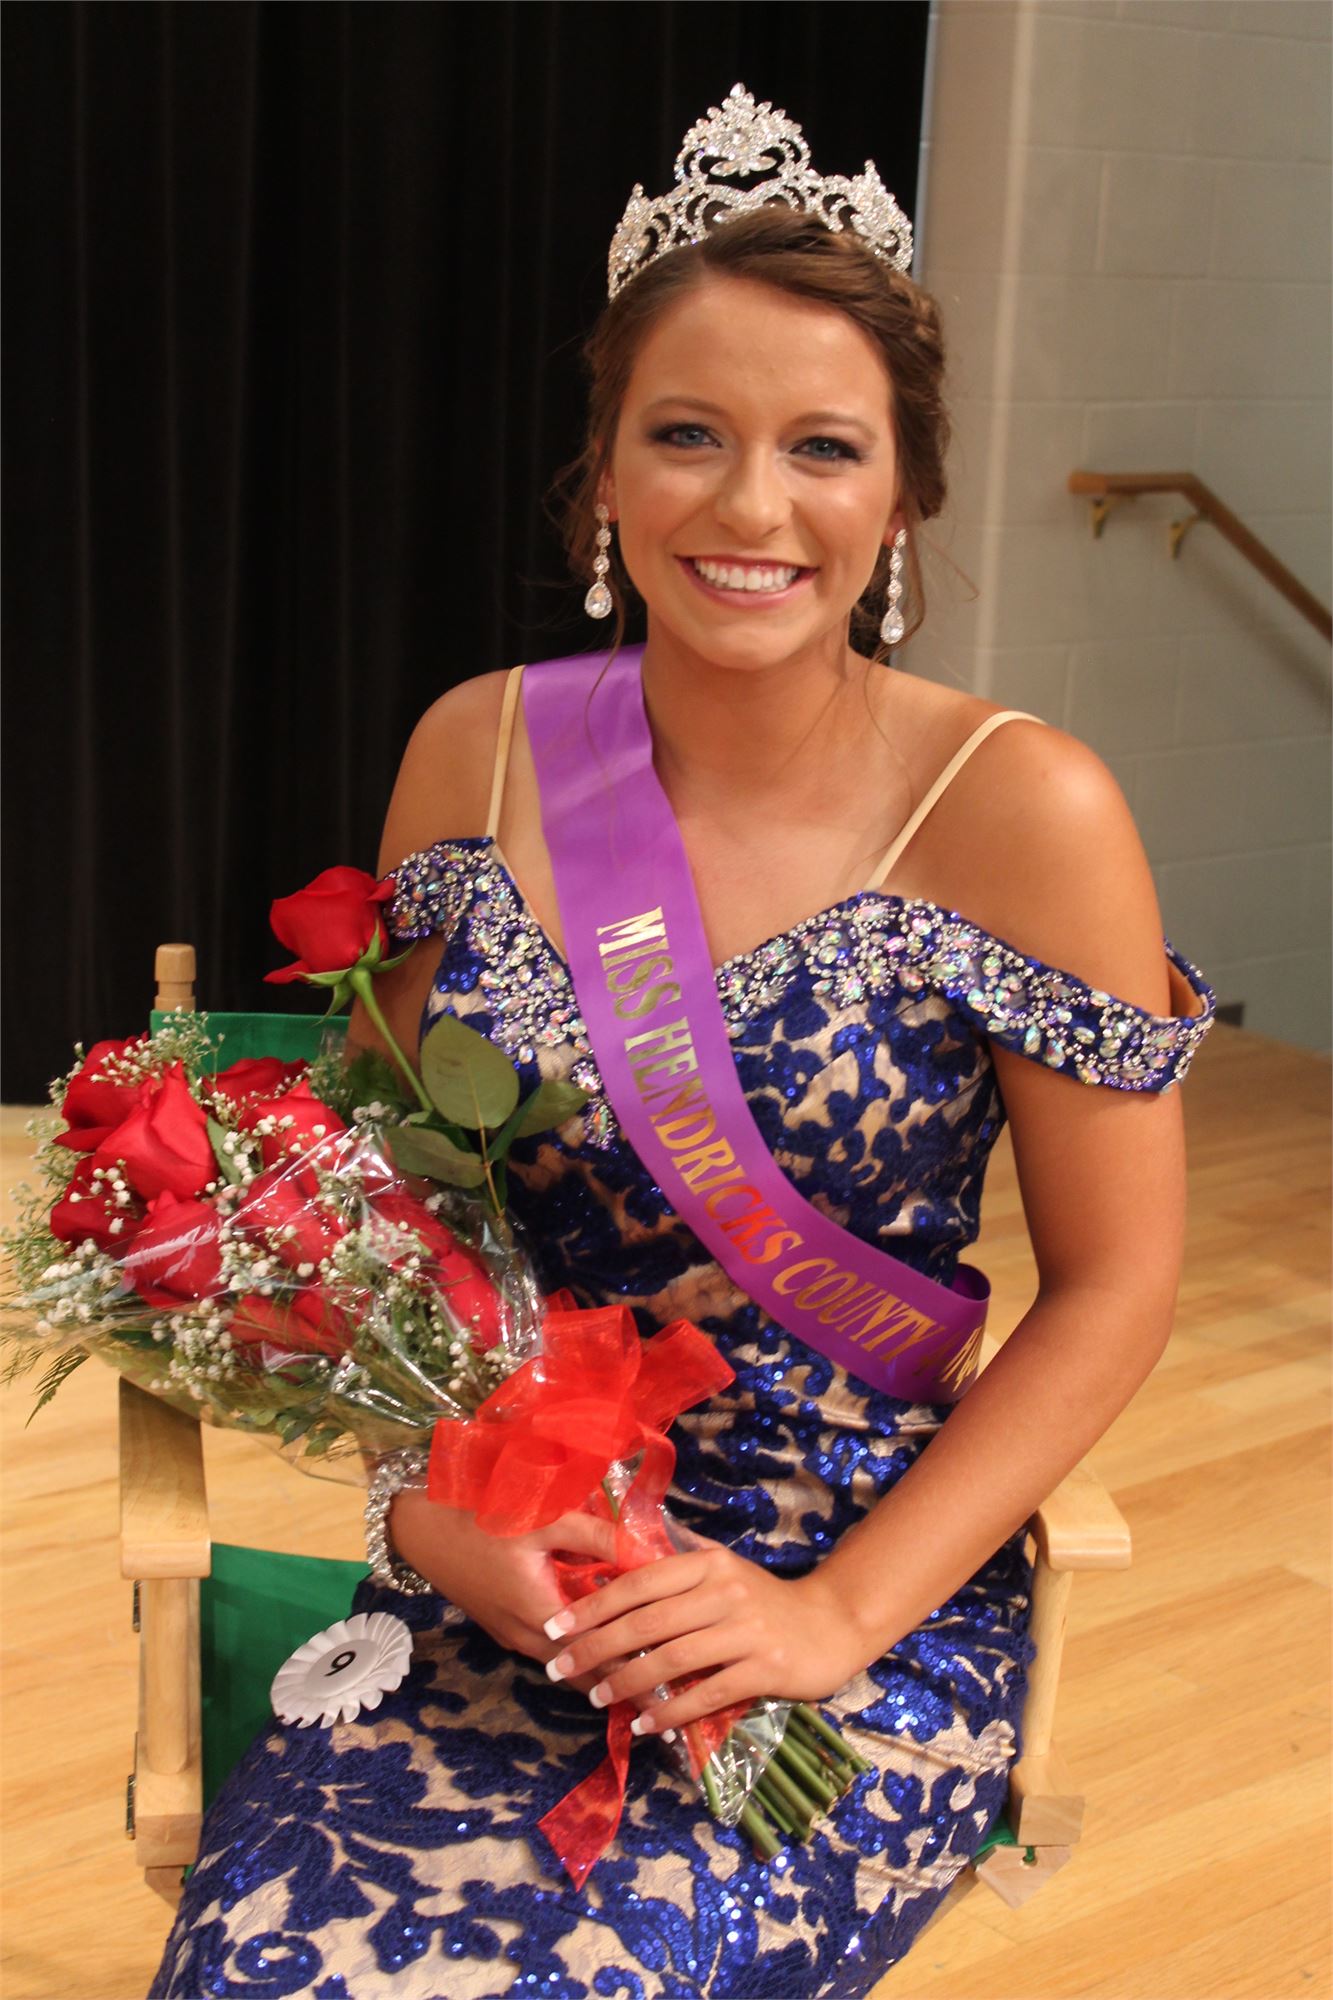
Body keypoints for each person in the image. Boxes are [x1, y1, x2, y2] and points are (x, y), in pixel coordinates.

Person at [151, 86, 1214, 2000]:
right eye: (687, 437)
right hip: (505, 1526)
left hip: (847, 1570)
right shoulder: (474, 747)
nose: (749, 509)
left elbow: (1117, 1283)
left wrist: (827, 1621)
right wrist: (433, 1493)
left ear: (904, 493)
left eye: (823, 447)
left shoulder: (1026, 808)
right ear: (604, 473)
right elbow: (388, 1196)